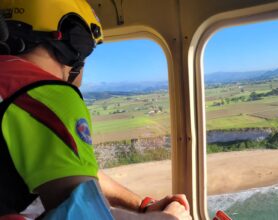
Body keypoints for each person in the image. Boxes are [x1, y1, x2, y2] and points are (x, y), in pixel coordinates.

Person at [0, 0, 191, 219]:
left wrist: (142, 206)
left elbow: (69, 169)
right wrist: (172, 217)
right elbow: (84, 215)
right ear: (75, 45)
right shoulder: (45, 95)